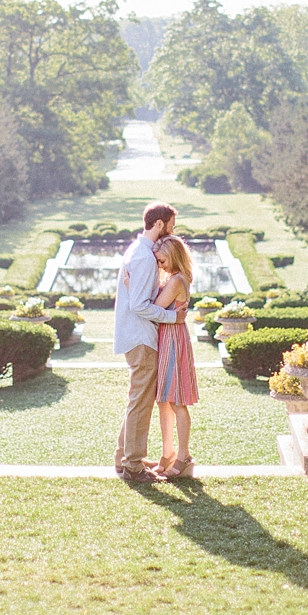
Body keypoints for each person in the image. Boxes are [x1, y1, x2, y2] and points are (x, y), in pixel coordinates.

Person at [112, 201, 184, 482]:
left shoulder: (138, 250)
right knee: (141, 402)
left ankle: (125, 457)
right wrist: (171, 317)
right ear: (159, 224)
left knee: (137, 399)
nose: (172, 232)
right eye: (171, 226)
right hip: (141, 337)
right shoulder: (142, 257)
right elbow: (140, 305)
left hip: (136, 336)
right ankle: (133, 466)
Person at [153, 234, 199, 477]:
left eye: (163, 261)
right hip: (168, 337)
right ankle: (167, 453)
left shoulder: (176, 281)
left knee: (176, 401)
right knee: (164, 400)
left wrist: (131, 287)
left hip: (173, 340)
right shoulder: (175, 278)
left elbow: (156, 308)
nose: (161, 266)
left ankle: (183, 455)